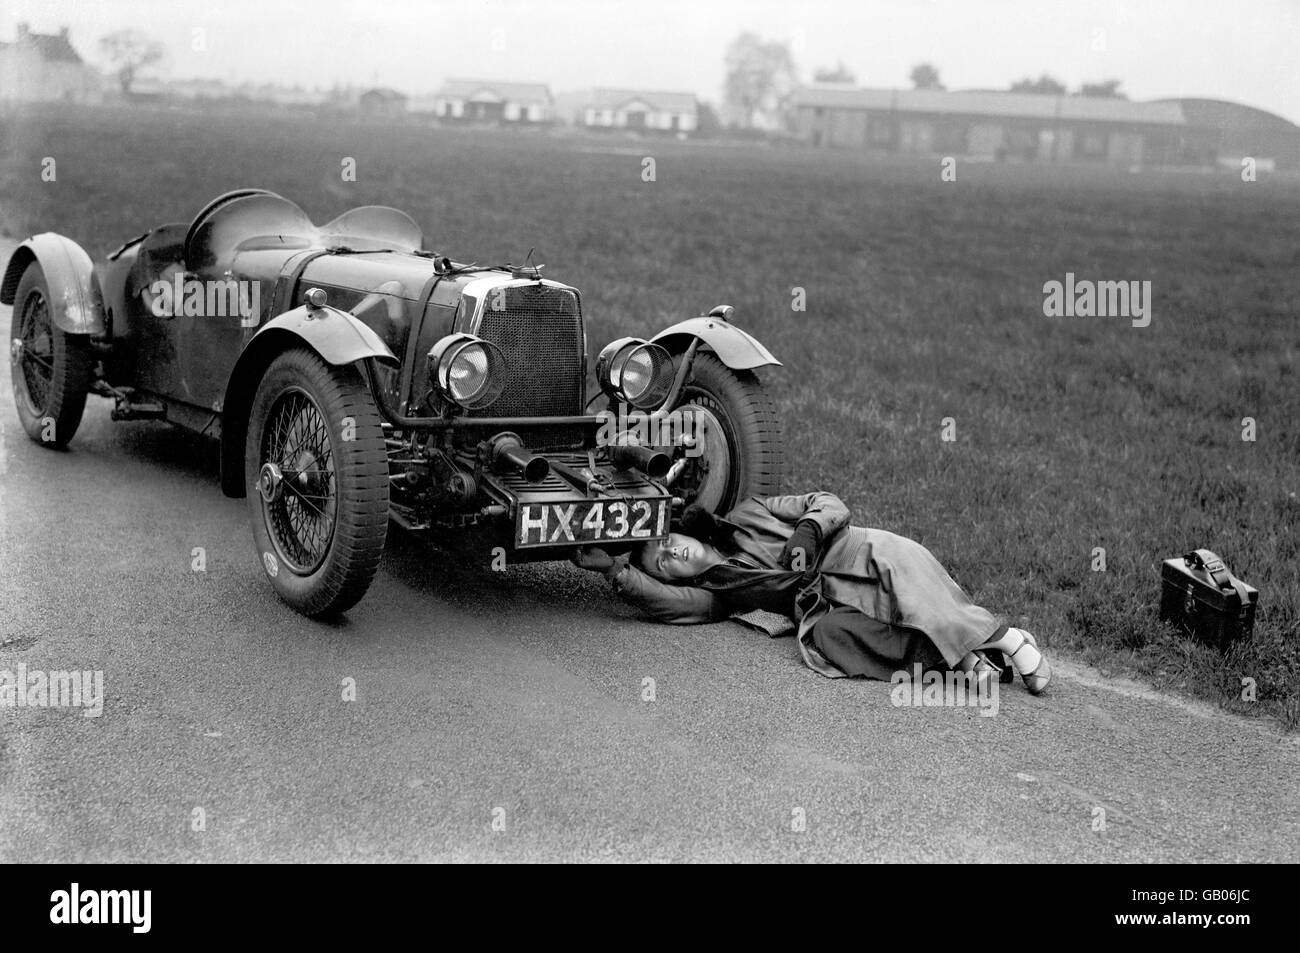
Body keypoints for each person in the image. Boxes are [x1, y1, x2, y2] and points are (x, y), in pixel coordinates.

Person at [571, 491, 1051, 694]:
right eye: (661, 564)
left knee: (920, 600)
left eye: (668, 542)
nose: (672, 555)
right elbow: (670, 608)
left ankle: (1009, 640)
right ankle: (962, 659)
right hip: (827, 603)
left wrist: (807, 531)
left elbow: (827, 502)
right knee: (831, 639)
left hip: (858, 553)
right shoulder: (718, 592)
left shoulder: (750, 514)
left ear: (686, 532)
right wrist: (618, 572)